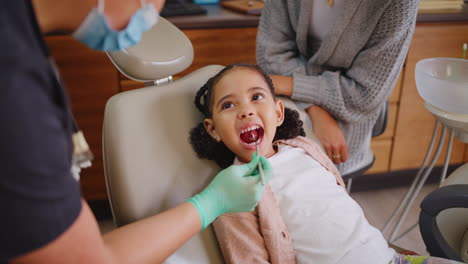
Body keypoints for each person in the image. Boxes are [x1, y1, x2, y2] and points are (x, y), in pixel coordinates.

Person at [0, 1, 271, 263]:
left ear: (279, 111)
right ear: (211, 128)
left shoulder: (22, 42)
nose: (155, 14)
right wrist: (211, 203)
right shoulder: (14, 84)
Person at [189, 64, 462, 264]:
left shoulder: (305, 149)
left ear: (278, 112)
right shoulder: (230, 195)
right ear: (212, 130)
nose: (246, 110)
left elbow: (339, 206)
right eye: (228, 105)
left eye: (256, 97)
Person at [256, 0, 419, 175]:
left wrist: (289, 84)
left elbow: (363, 94)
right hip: (288, 107)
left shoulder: (400, 3)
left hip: (345, 123)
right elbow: (270, 55)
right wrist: (315, 109)